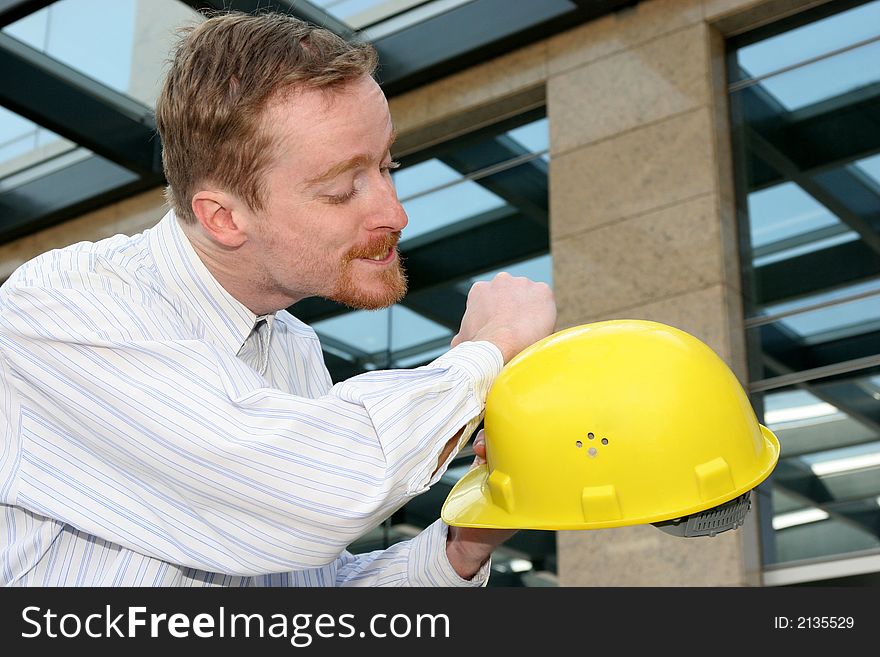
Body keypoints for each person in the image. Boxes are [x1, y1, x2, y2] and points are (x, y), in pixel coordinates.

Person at [0, 11, 556, 586]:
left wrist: (460, 548)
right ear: (222, 217)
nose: (395, 213)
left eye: (388, 165)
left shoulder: (293, 348)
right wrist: (487, 352)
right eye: (341, 190)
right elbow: (313, 491)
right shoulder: (66, 307)